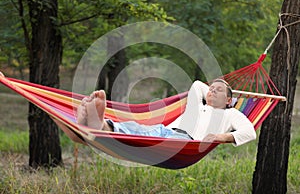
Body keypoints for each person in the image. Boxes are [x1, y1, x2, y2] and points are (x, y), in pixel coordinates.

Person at [74, 79, 256, 146]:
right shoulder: (198, 106)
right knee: (136, 129)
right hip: (164, 131)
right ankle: (101, 124)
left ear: (227, 100)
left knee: (144, 139)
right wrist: (216, 87)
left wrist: (220, 137)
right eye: (211, 89)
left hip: (185, 143)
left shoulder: (231, 114)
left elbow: (250, 132)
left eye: (218, 90)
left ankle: (99, 124)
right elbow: (197, 85)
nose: (212, 91)